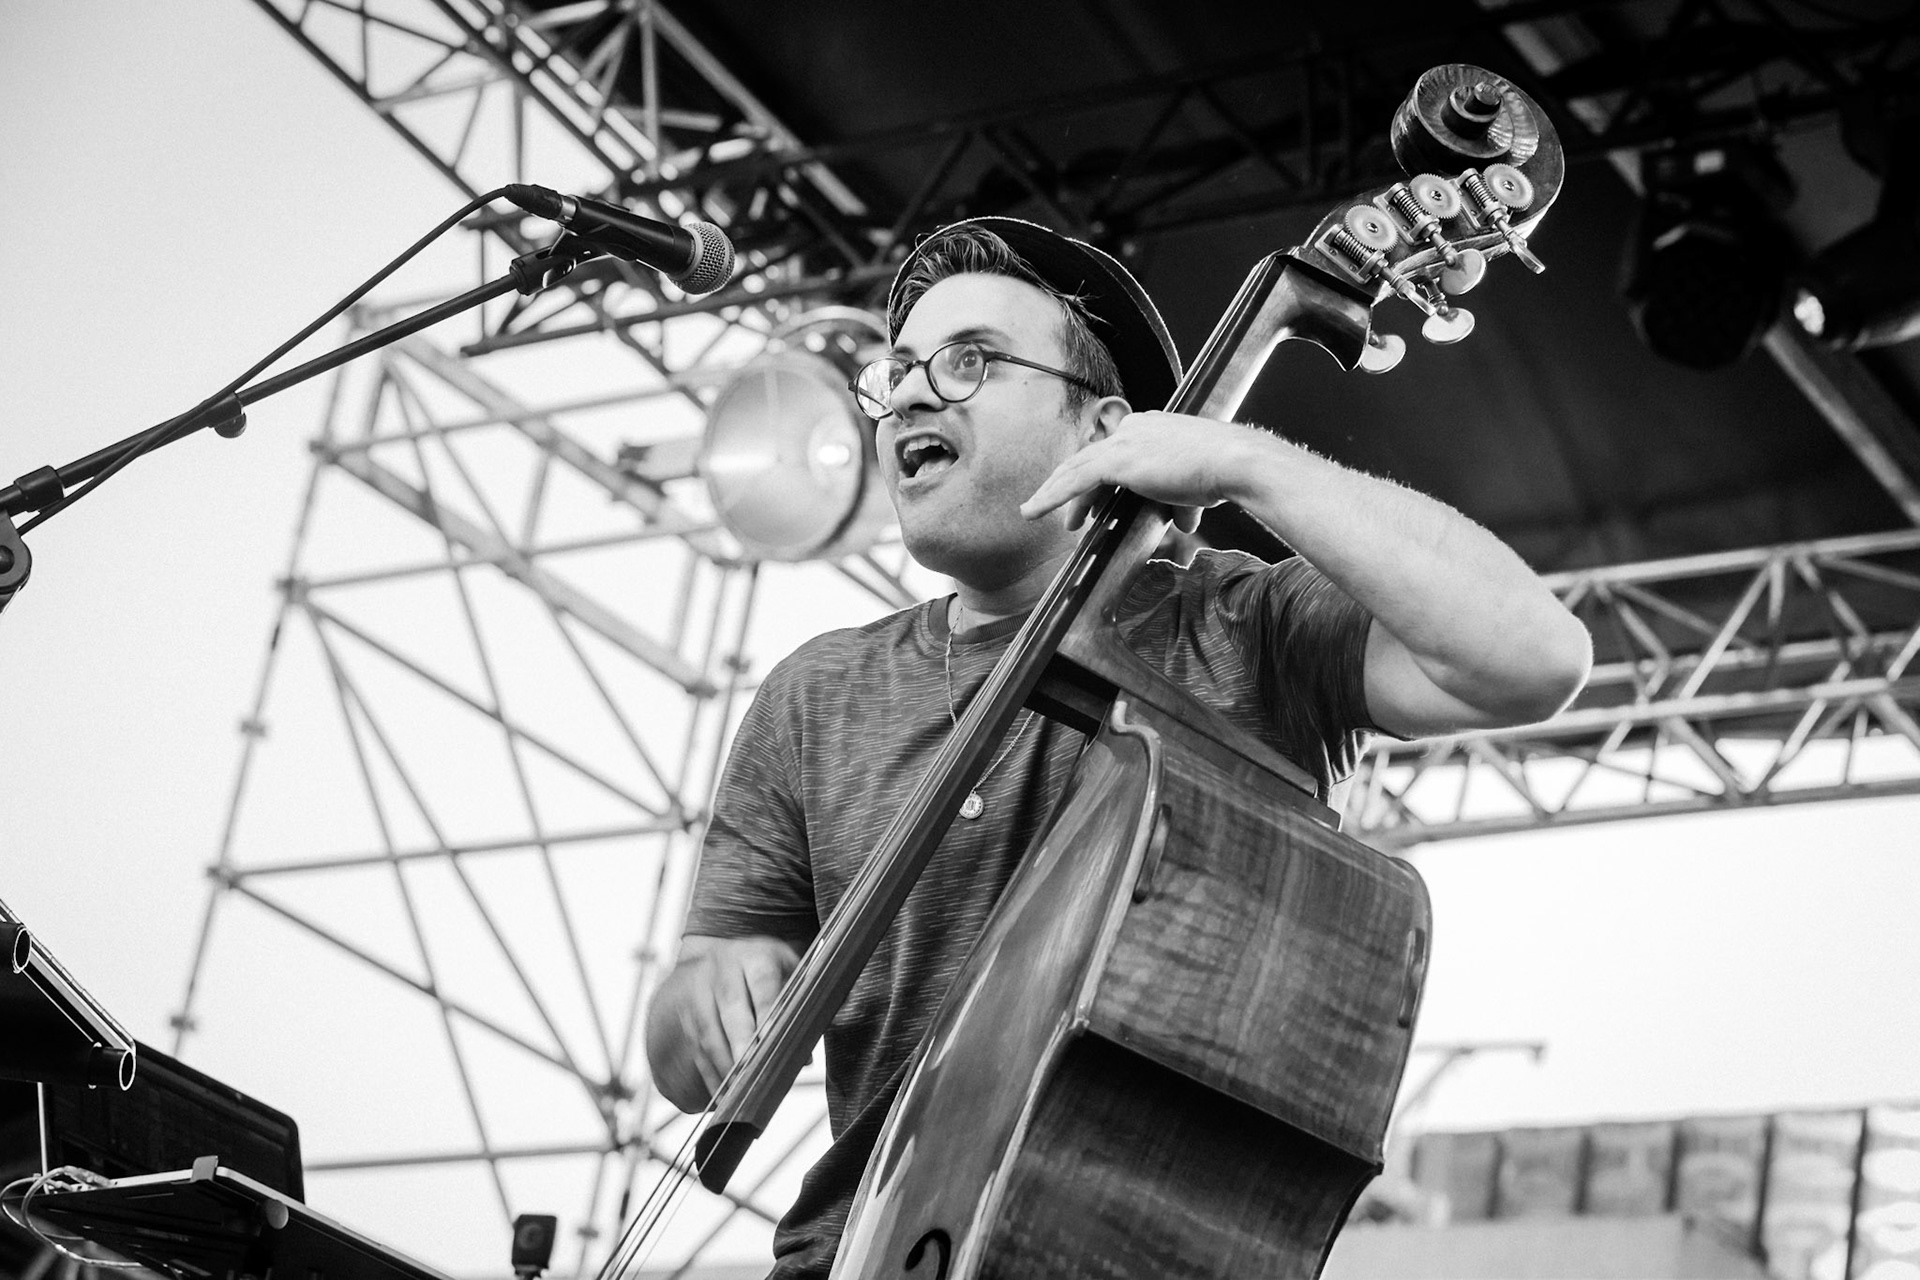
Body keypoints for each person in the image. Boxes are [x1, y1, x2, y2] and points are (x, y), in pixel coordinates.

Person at [644, 216, 1591, 1276]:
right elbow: (686, 1036)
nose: (908, 393)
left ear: (1104, 424)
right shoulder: (817, 694)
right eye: (898, 369)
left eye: (968, 362)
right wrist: (707, 1005)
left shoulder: (1245, 628)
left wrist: (1245, 461)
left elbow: (1531, 655)